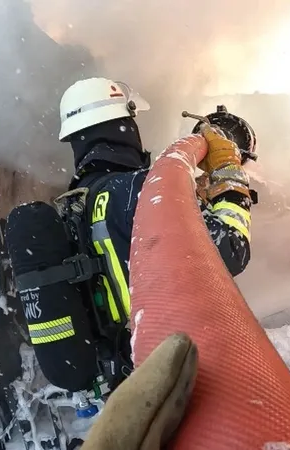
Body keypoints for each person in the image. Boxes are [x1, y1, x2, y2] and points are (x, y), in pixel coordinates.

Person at [57, 77, 253, 325]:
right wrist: (229, 172)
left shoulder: (79, 200)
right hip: (162, 351)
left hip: (122, 354)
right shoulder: (138, 189)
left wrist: (191, 202)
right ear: (124, 126)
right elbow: (231, 250)